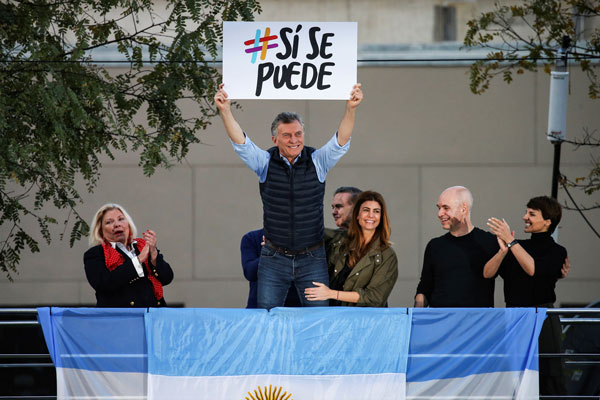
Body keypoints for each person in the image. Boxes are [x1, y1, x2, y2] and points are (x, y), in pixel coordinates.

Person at [214, 83, 363, 309]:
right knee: (266, 318)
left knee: (317, 320)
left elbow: (340, 142)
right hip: (274, 257)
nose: (294, 140)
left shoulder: (317, 161)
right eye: (287, 135)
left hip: (312, 256)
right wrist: (225, 111)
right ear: (275, 140)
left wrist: (351, 108)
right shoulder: (264, 162)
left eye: (298, 133)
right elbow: (241, 143)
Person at [484, 195, 568, 396]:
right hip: (514, 317)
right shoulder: (516, 246)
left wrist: (511, 241)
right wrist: (503, 251)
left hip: (542, 320)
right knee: (513, 374)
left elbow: (533, 269)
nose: (524, 217)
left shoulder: (557, 251)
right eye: (526, 212)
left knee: (548, 374)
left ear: (548, 221)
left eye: (532, 214)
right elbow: (487, 273)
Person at [305, 191, 398, 307]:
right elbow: (311, 233)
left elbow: (375, 297)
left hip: (363, 321)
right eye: (366, 210)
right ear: (357, 215)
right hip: (331, 316)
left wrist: (332, 294)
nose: (371, 215)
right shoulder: (339, 241)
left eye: (376, 211)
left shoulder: (387, 255)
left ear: (381, 217)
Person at [414, 186, 498, 307]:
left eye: (446, 208)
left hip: (477, 323)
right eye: (439, 208)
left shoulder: (489, 242)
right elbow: (425, 287)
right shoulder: (435, 246)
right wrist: (417, 315)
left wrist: (508, 245)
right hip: (441, 322)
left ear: (464, 209)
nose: (439, 214)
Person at [84, 203, 173, 307]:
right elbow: (104, 284)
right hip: (122, 318)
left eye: (121, 219)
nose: (117, 224)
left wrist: (154, 255)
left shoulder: (141, 246)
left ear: (129, 224)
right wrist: (138, 260)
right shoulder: (95, 254)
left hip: (154, 316)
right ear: (100, 230)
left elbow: (167, 278)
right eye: (109, 222)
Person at [241, 228, 301, 308]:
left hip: (299, 309)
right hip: (261, 310)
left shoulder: (308, 238)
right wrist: (271, 251)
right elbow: (250, 273)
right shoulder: (252, 237)